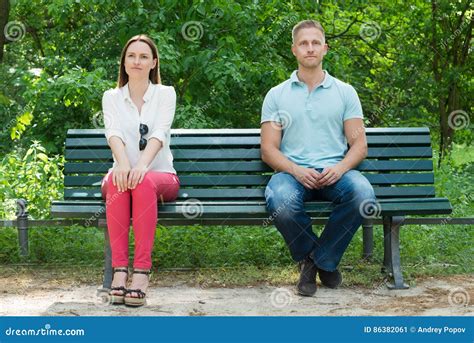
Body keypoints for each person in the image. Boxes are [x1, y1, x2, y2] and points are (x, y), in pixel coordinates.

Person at [261, 20, 376, 296]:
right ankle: (322, 261)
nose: (309, 48)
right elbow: (269, 150)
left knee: (363, 194)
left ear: (325, 48)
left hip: (335, 173)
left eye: (315, 43)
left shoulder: (344, 92)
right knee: (280, 201)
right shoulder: (277, 95)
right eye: (303, 43)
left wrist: (340, 168)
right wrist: (297, 171)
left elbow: (359, 145)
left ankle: (315, 262)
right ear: (294, 50)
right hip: (292, 175)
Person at [100, 34, 180, 307]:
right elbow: (113, 134)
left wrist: (142, 166)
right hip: (123, 177)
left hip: (161, 177)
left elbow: (159, 133)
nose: (137, 61)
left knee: (141, 182)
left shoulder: (165, 93)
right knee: (118, 181)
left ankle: (142, 272)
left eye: (144, 56)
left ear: (153, 63)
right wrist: (123, 165)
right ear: (123, 63)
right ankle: (120, 271)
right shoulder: (111, 97)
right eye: (131, 56)